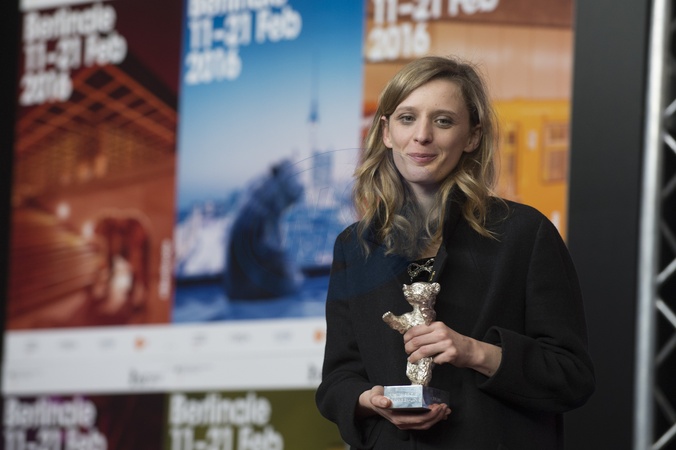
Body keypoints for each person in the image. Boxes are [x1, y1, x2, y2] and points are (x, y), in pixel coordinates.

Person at [315, 55, 595, 450]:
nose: (422, 136)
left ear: (472, 136)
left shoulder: (524, 233)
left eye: (443, 121)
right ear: (387, 132)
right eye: (407, 118)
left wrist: (474, 352)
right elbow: (338, 380)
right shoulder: (355, 246)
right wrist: (373, 402)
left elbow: (571, 376)